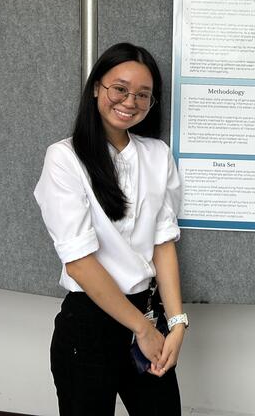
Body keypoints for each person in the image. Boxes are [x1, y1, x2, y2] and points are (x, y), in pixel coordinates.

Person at [34, 42, 187, 415]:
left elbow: (163, 244)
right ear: (96, 89)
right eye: (120, 89)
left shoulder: (157, 154)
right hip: (89, 324)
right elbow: (80, 263)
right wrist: (143, 330)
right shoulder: (65, 158)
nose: (129, 101)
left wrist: (177, 322)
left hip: (148, 313)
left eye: (142, 95)